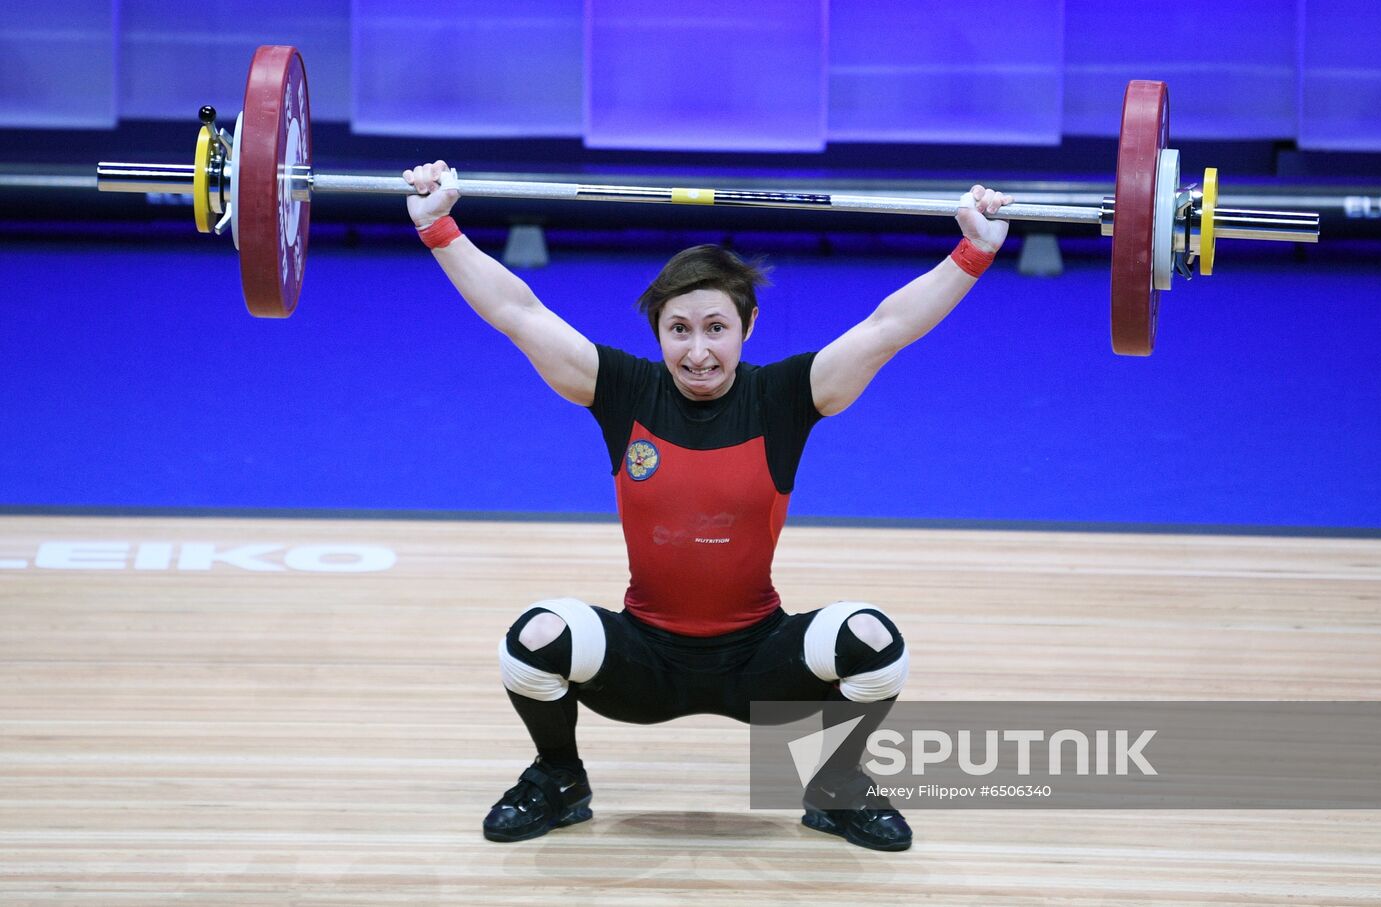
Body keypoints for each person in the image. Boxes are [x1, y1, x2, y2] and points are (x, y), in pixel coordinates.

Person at [403, 160, 1011, 852]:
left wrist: (974, 250)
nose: (698, 351)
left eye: (716, 327)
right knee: (533, 640)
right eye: (679, 329)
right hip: (644, 661)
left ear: (748, 326)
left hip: (761, 662)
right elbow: (518, 312)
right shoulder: (622, 389)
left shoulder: (785, 396)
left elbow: (887, 328)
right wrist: (439, 227)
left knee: (874, 644)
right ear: (657, 332)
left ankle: (836, 786)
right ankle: (559, 776)